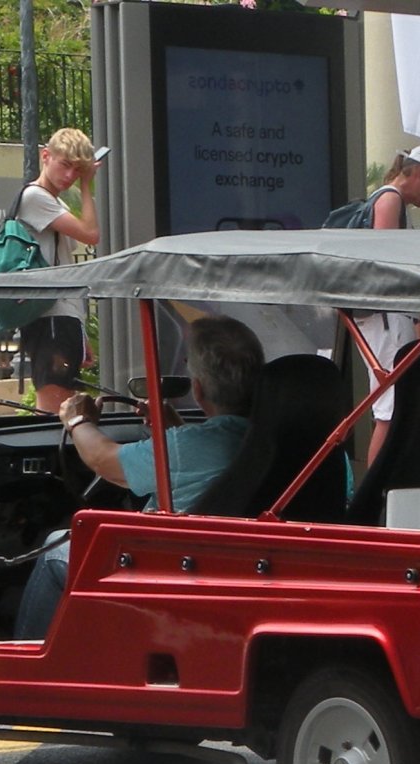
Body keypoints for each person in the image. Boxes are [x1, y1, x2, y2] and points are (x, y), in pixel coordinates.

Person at [13, 316, 264, 640]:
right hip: (238, 564)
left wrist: (77, 421)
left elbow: (104, 460)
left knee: (54, 550)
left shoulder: (194, 447)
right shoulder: (272, 437)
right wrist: (173, 430)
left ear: (198, 387)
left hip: (176, 565)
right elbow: (202, 465)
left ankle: (31, 657)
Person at [359, 144, 420, 465]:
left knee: (390, 408)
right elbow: (387, 266)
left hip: (385, 317)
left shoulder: (389, 198)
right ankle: (376, 488)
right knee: (388, 411)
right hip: (386, 316)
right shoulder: (390, 200)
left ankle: (382, 484)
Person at [18, 127, 101, 414]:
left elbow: (63, 265)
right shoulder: (35, 197)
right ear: (46, 156)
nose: (69, 176)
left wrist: (79, 329)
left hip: (61, 317)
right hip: (50, 316)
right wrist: (87, 185)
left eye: (77, 170)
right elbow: (91, 234)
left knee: (64, 405)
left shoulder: (55, 202)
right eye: (65, 165)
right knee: (56, 409)